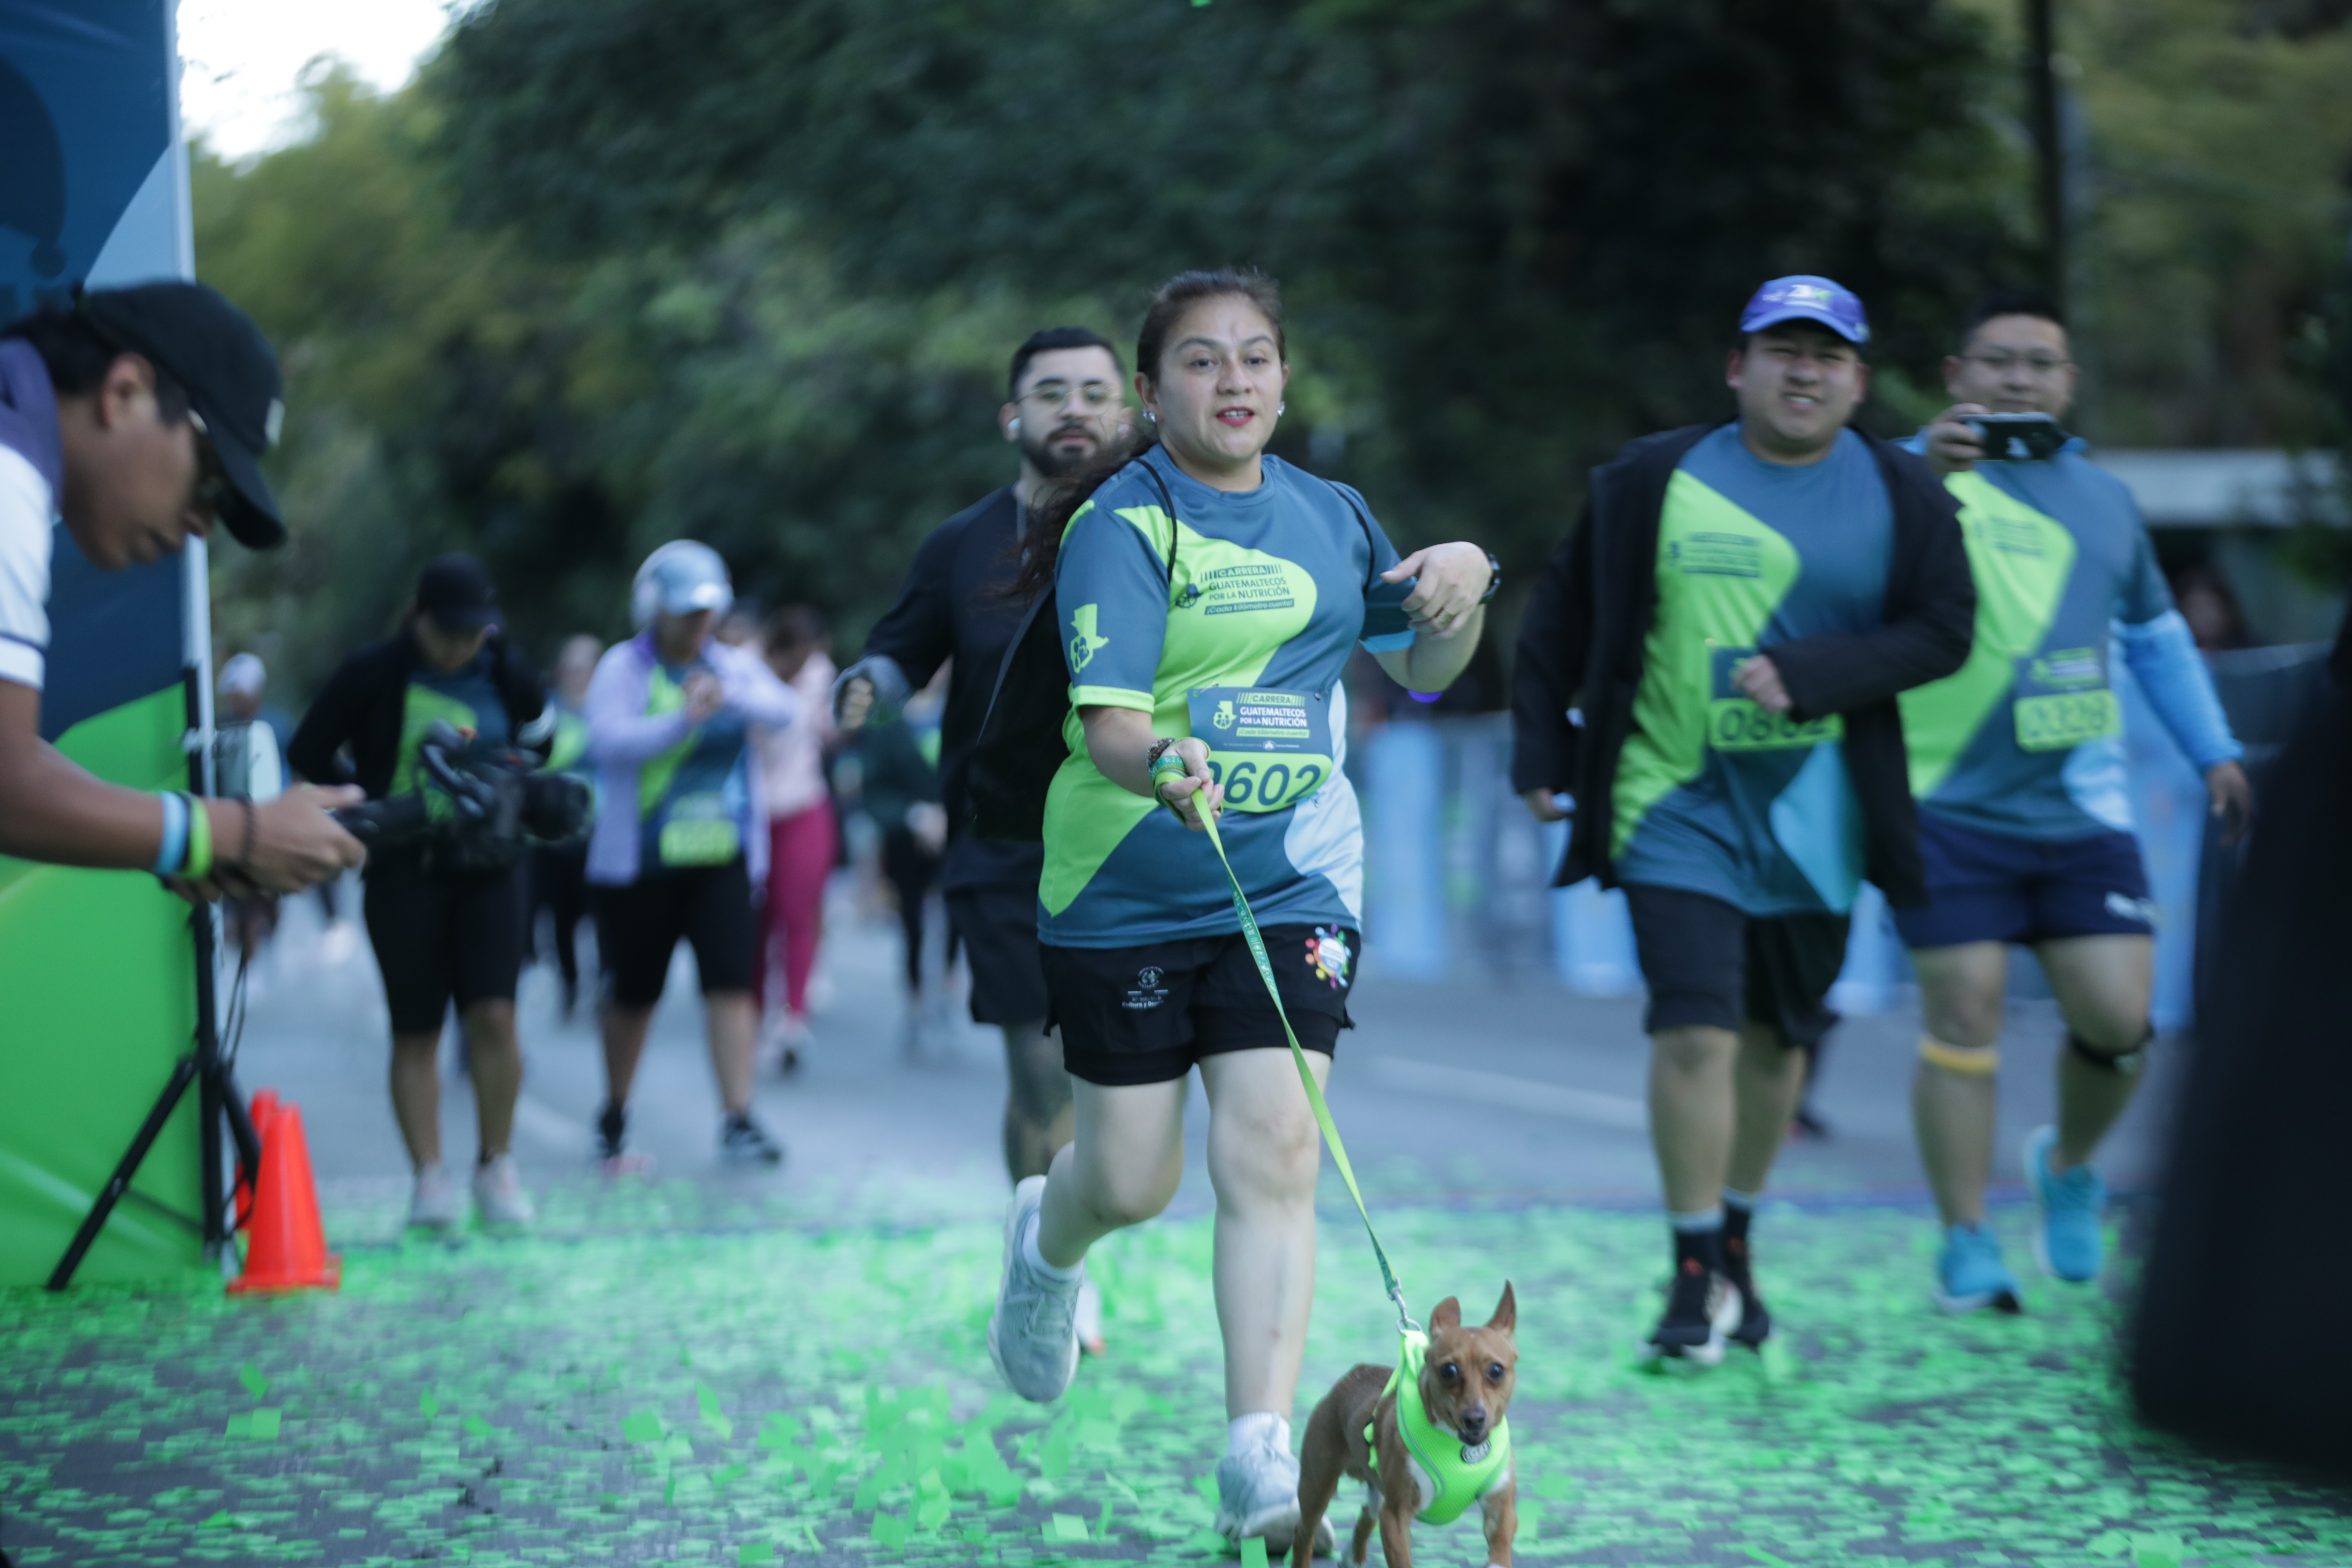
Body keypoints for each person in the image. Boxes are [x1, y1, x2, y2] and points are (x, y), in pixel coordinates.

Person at [982, 270, 1495, 1558]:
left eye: (1256, 358)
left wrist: (1465, 583)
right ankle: (1047, 1242)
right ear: (1153, 395)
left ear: (1283, 378)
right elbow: (1106, 727)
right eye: (1202, 364)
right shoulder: (1123, 521)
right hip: (1128, 882)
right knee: (1134, 1177)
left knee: (1275, 1147)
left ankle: (1257, 1447)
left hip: (1290, 880)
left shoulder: (1332, 514)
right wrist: (1162, 764)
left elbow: (1424, 667)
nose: (1236, 382)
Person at [1510, 275, 1976, 1365]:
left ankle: (1733, 1238)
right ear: (1737, 368)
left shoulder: (1905, 498)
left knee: (1776, 1049)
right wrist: (1539, 747)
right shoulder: (1651, 478)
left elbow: (1943, 630)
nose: (1802, 370)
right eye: (1780, 349)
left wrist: (1818, 671)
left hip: (1819, 815)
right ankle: (1686, 1272)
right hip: (1671, 797)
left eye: (1826, 354)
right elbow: (1558, 614)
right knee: (1692, 1027)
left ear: (1857, 382)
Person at [1899, 289, 2251, 1311]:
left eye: (2038, 363)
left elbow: (2153, 640)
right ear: (1956, 376)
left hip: (2080, 813)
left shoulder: (2103, 499)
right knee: (1959, 1017)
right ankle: (1964, 1239)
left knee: (2118, 1023)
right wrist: (1912, 474)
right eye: (1995, 360)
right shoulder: (1902, 475)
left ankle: (2069, 1163)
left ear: (2067, 382)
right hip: (1940, 806)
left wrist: (2213, 753)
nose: (2017, 379)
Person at [836, 325, 1133, 1345]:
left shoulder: (1163, 529)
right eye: (1050, 393)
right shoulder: (961, 544)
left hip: (1139, 843)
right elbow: (896, 652)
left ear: (1128, 411)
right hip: (1004, 844)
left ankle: (1071, 1223)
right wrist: (863, 688)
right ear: (1014, 418)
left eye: (1094, 391)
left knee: (1115, 1077)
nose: (1074, 410)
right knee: (1039, 1069)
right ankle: (1053, 1265)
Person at [0, 284, 362, 891]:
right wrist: (232, 832)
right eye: (211, 481)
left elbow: (13, 756)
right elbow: (6, 786)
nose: (202, 524)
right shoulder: (8, 482)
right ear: (125, 393)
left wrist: (189, 839)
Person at [288, 554, 547, 1231]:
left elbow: (540, 741)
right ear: (418, 619)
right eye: (448, 632)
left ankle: (497, 1165)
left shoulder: (508, 669)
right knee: (418, 1030)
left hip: (493, 869)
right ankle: (428, 1180)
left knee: (495, 1016)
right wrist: (371, 799)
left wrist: (509, 792)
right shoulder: (373, 671)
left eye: (474, 632)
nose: (462, 645)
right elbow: (310, 748)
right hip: (405, 872)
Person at [585, 542, 799, 1167]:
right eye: (685, 612)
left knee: (732, 986)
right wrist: (682, 720)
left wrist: (727, 696)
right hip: (640, 867)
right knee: (634, 993)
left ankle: (738, 1116)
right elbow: (608, 741)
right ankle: (616, 1111)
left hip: (721, 859)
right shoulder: (622, 668)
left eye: (707, 611)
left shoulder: (732, 666)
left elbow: (784, 712)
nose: (698, 623)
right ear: (654, 609)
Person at [750, 605, 838, 1069]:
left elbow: (829, 731)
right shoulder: (744, 671)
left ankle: (793, 1017)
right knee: (759, 921)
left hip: (804, 803)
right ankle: (755, 1013)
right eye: (796, 659)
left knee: (797, 910)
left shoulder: (820, 673)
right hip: (754, 812)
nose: (804, 668)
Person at [852, 677, 947, 1048]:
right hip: (908, 841)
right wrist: (914, 816)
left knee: (957, 912)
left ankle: (949, 990)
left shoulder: (968, 709)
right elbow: (874, 789)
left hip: (957, 837)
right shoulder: (887, 723)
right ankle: (916, 999)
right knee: (912, 918)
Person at [527, 633, 601, 1017]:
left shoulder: (609, 709)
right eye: (572, 667)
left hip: (599, 831)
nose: (578, 674)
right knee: (562, 915)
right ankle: (570, 982)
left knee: (603, 913)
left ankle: (605, 983)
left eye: (586, 666)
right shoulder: (546, 711)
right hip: (553, 833)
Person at [215, 653, 291, 968]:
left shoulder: (277, 723)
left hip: (274, 819)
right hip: (235, 822)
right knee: (239, 898)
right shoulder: (221, 725)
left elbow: (297, 768)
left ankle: (265, 943)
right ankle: (247, 957)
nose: (237, 698)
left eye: (242, 690)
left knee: (268, 896)